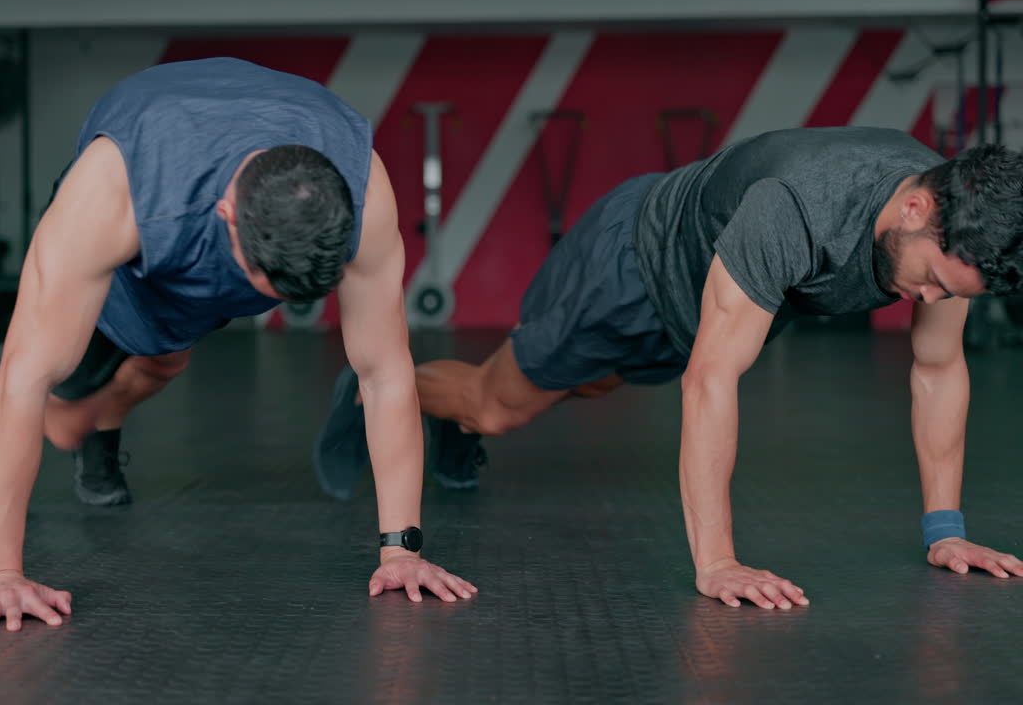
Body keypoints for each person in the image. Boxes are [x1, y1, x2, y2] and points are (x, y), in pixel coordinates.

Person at [315, 127, 1023, 609]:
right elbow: (712, 381)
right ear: (913, 207)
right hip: (629, 270)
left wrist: (945, 530)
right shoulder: (798, 209)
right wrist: (717, 563)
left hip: (706, 302)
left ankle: (447, 414)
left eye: (948, 294)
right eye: (931, 281)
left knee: (597, 382)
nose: (928, 301)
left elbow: (937, 368)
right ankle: (386, 395)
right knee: (497, 406)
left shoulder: (954, 230)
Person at [0, 58, 476, 633]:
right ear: (228, 217)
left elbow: (384, 374)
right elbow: (22, 378)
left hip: (201, 254)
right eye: (271, 286)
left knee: (163, 363)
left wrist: (401, 550)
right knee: (56, 397)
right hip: (142, 241)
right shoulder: (114, 194)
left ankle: (101, 427)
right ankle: (84, 422)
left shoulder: (363, 191)